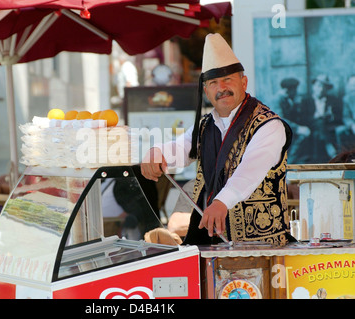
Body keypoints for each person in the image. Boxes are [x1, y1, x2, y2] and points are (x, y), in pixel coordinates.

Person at [140, 33, 293, 246]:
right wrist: (158, 152)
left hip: (260, 245)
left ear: (244, 82)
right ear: (206, 91)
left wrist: (222, 201)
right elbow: (183, 147)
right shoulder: (205, 126)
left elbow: (250, 170)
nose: (221, 88)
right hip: (212, 244)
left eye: (227, 80)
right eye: (213, 83)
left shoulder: (268, 125)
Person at [301, 74, 343, 162]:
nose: (321, 89)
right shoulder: (306, 100)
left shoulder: (333, 100)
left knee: (319, 128)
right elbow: (303, 118)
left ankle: (319, 159)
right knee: (319, 122)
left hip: (327, 126)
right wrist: (315, 117)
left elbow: (339, 117)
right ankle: (330, 149)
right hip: (311, 126)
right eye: (319, 86)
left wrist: (331, 116)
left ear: (327, 89)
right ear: (313, 86)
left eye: (324, 87)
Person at [273, 77, 310, 163]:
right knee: (301, 136)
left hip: (287, 129)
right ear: (287, 90)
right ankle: (289, 164)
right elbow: (279, 120)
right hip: (278, 131)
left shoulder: (288, 99)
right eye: (294, 90)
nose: (296, 92)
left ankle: (292, 162)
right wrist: (298, 128)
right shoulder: (276, 100)